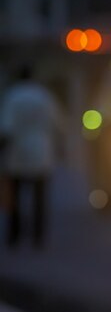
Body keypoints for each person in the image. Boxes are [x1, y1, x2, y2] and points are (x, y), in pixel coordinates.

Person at [0, 65, 64, 248]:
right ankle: (38, 237)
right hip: (41, 151)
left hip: (18, 152)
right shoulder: (44, 96)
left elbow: (6, 128)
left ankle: (14, 235)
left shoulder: (13, 96)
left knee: (16, 197)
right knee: (40, 198)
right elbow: (58, 124)